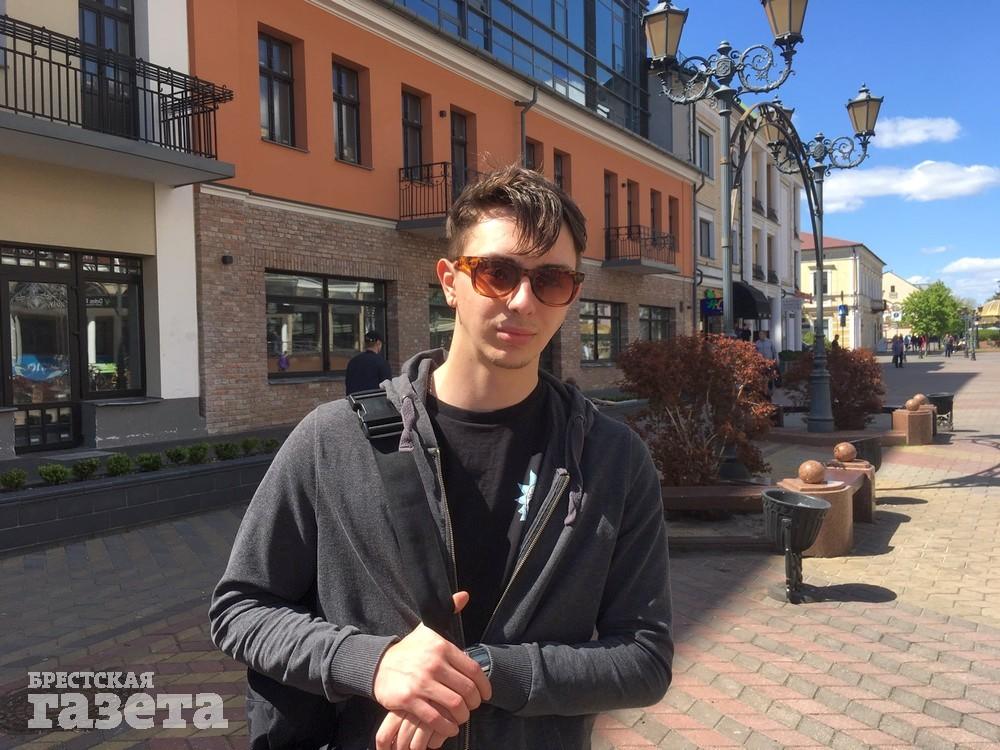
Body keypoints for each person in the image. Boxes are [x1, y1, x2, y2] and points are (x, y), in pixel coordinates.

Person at [209, 165, 673, 750]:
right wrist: (372, 662)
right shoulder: (334, 439)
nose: (523, 301)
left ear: (572, 293)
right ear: (451, 281)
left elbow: (644, 658)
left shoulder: (611, 457)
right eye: (497, 273)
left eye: (551, 280)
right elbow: (241, 609)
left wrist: (482, 672)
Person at [345, 330, 392, 395]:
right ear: (378, 343)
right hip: (374, 400)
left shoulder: (352, 362)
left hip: (354, 400)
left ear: (365, 344)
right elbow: (387, 389)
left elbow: (348, 387)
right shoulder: (382, 363)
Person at [754, 330, 779, 398]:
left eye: (762, 334)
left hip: (769, 362)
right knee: (762, 376)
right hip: (761, 363)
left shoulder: (770, 342)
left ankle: (770, 390)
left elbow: (774, 352)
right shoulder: (757, 343)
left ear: (765, 335)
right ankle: (763, 390)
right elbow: (754, 352)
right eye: (759, 334)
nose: (760, 336)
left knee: (769, 376)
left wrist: (776, 360)